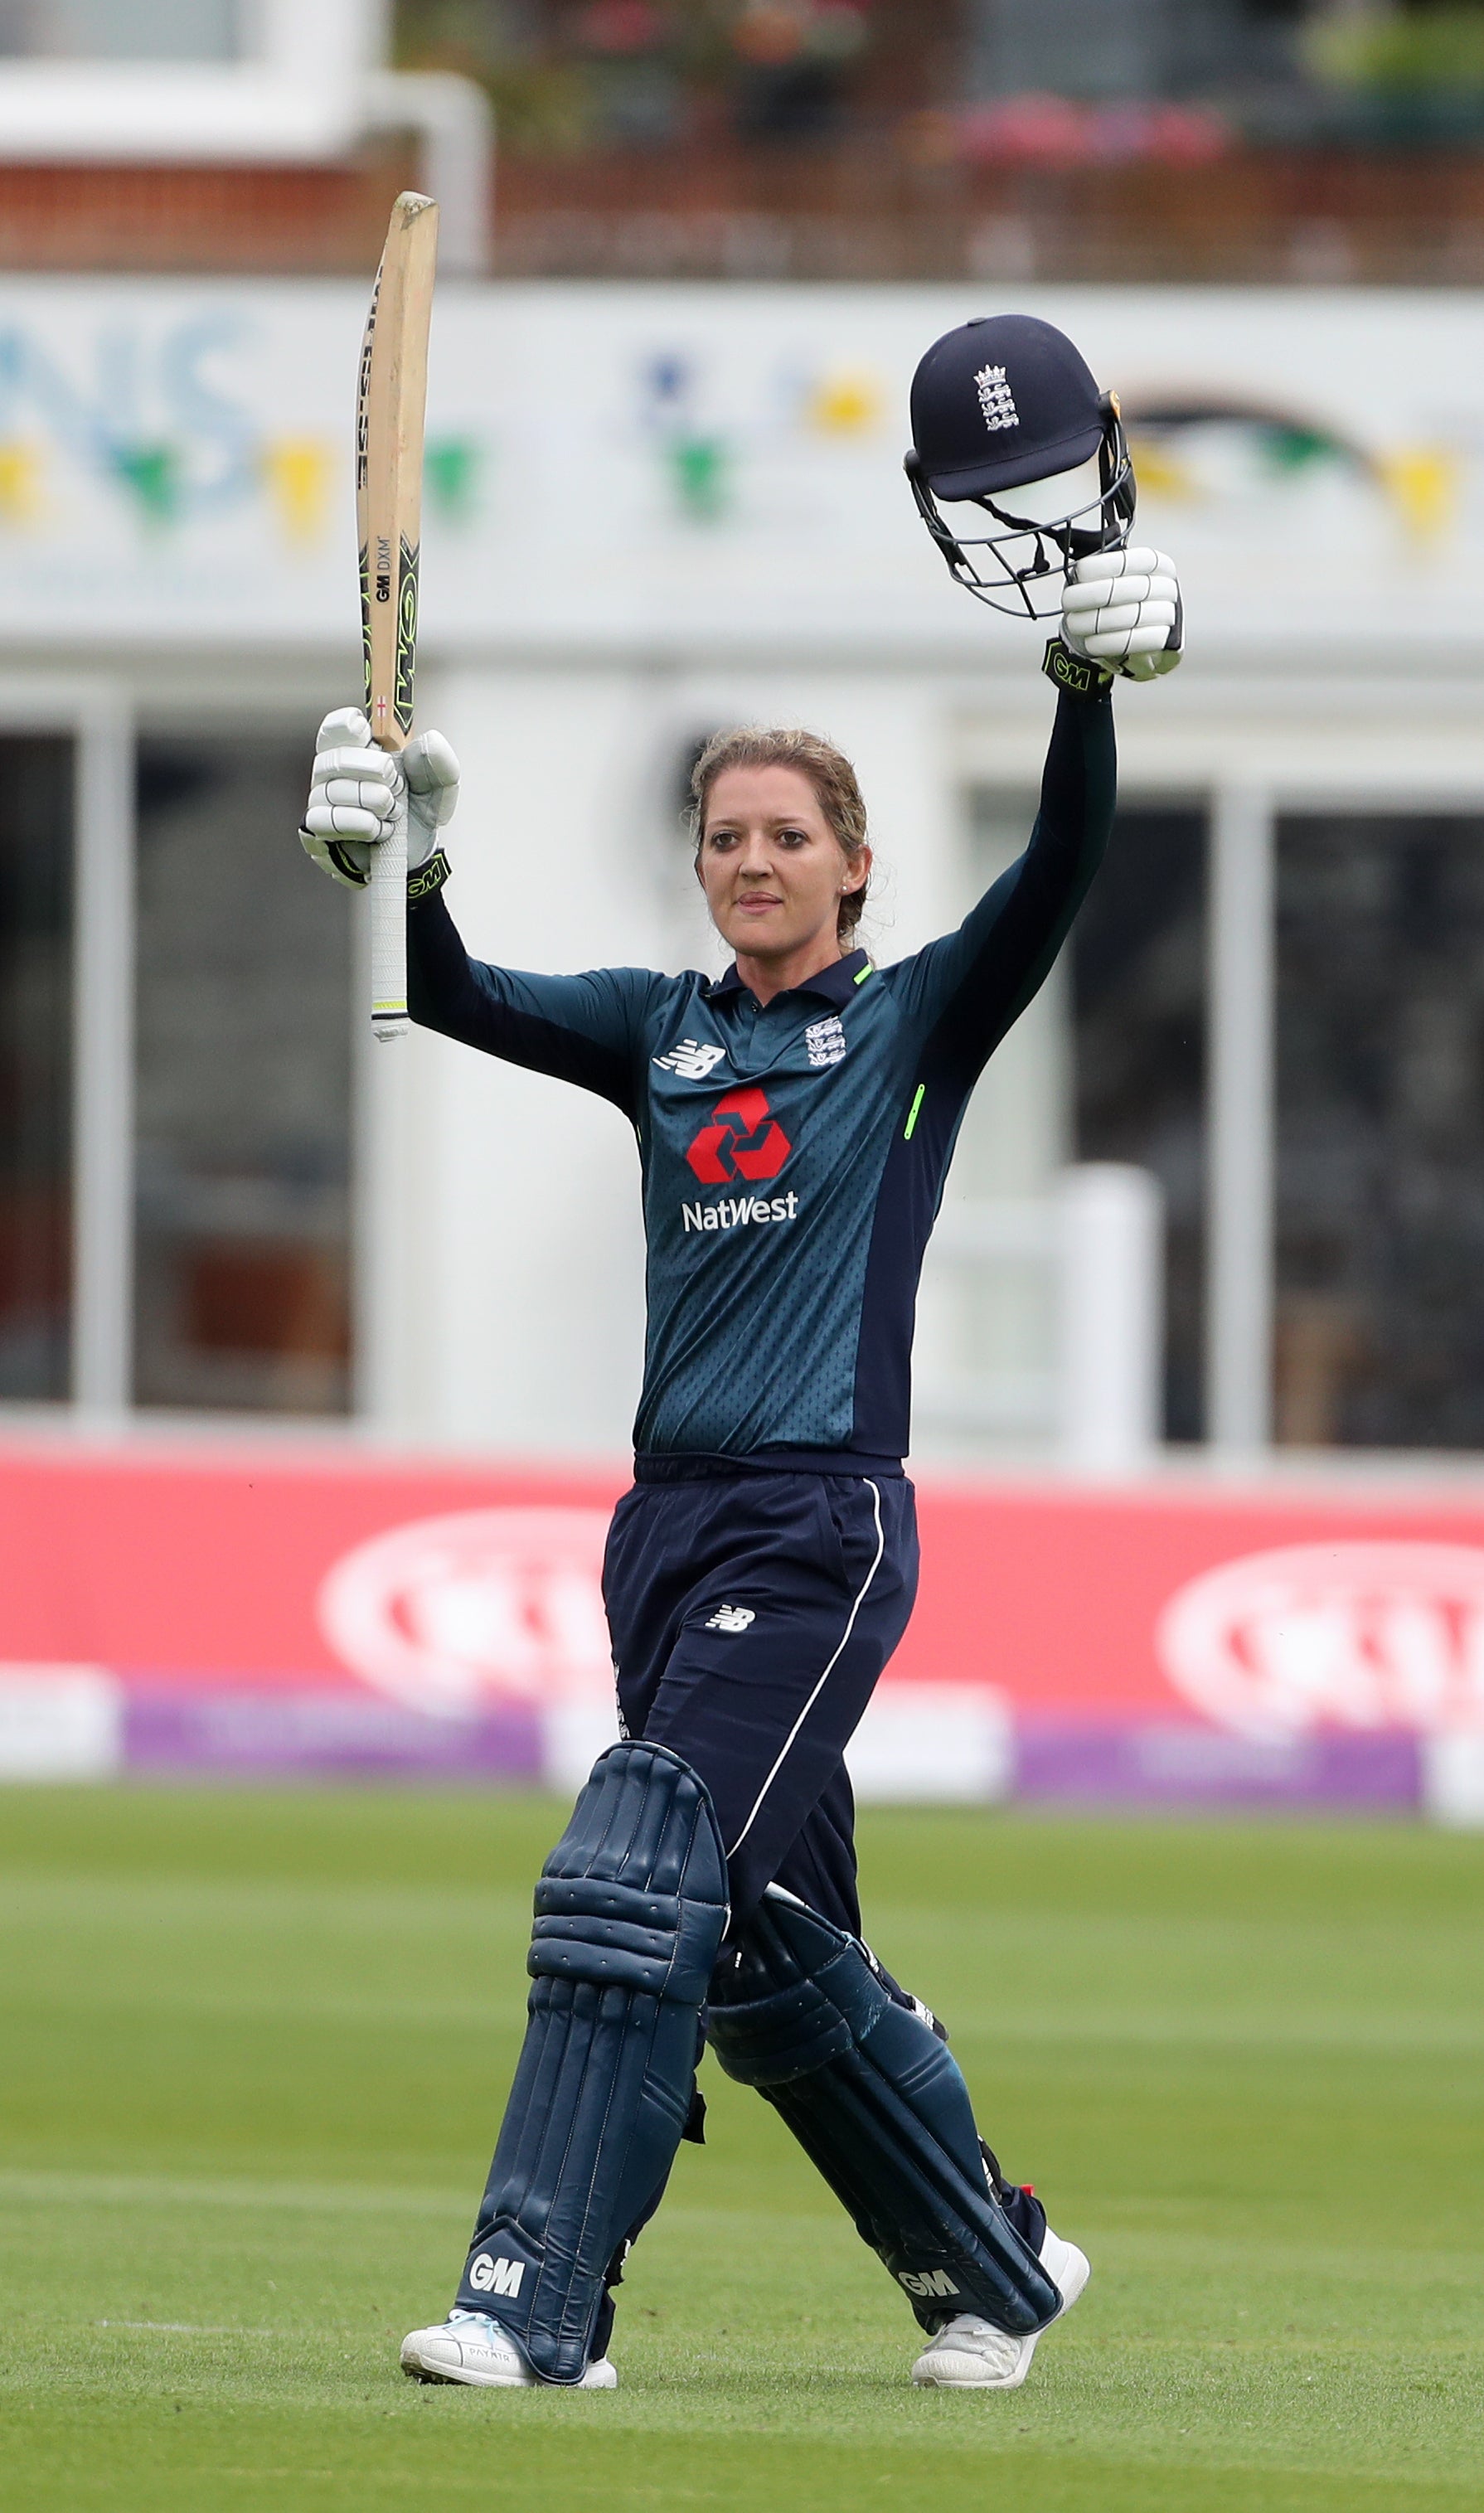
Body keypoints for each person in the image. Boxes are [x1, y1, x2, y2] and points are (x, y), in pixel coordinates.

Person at [298, 318, 1182, 2397]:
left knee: (637, 1856)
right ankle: (995, 2260)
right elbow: (448, 988)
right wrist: (393, 849)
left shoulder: (915, 1023)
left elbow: (1060, 866)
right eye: (725, 836)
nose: (754, 859)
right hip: (663, 1528)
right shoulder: (653, 1029)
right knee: (768, 1940)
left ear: (855, 861)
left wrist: (1081, 689)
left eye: (789, 833)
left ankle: (539, 2300)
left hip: (821, 1518)